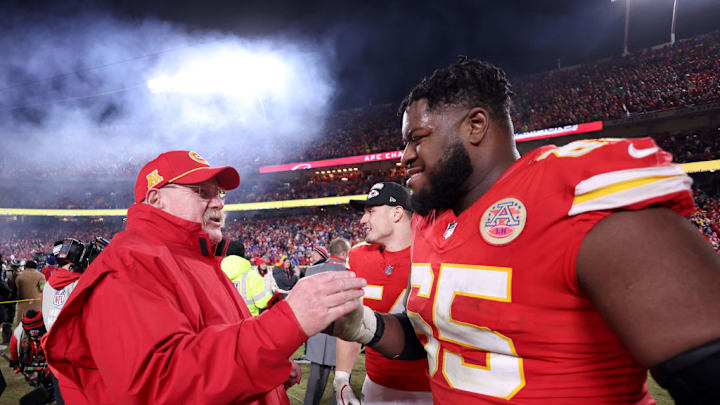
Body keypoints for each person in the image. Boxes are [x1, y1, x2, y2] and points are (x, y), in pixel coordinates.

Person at [328, 58, 720, 404]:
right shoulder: (431, 222)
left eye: (417, 138)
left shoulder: (576, 194)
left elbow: (706, 370)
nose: (405, 155)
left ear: (476, 125)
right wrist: (364, 324)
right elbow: (434, 338)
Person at [43, 150, 366, 405]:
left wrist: (269, 368)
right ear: (156, 200)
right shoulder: (130, 265)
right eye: (201, 191)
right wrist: (286, 322)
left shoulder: (197, 257)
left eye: (220, 193)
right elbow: (161, 385)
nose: (218, 203)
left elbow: (211, 346)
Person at [334, 182, 432, 405]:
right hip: (376, 384)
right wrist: (341, 378)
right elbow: (353, 324)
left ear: (397, 213)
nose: (362, 220)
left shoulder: (432, 252)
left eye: (371, 211)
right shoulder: (359, 255)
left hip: (429, 389)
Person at [303, 238, 351, 405]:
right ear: (344, 253)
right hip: (341, 335)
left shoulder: (311, 271)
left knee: (315, 379)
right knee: (341, 381)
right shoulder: (351, 273)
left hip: (318, 332)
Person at [221, 240, 272, 316]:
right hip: (248, 321)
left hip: (225, 322)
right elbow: (263, 302)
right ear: (243, 253)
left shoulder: (216, 274)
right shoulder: (252, 276)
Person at [14, 260, 45, 324]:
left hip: (22, 304)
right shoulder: (40, 276)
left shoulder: (19, 276)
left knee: (20, 324)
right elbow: (42, 288)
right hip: (36, 303)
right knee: (35, 323)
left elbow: (16, 289)